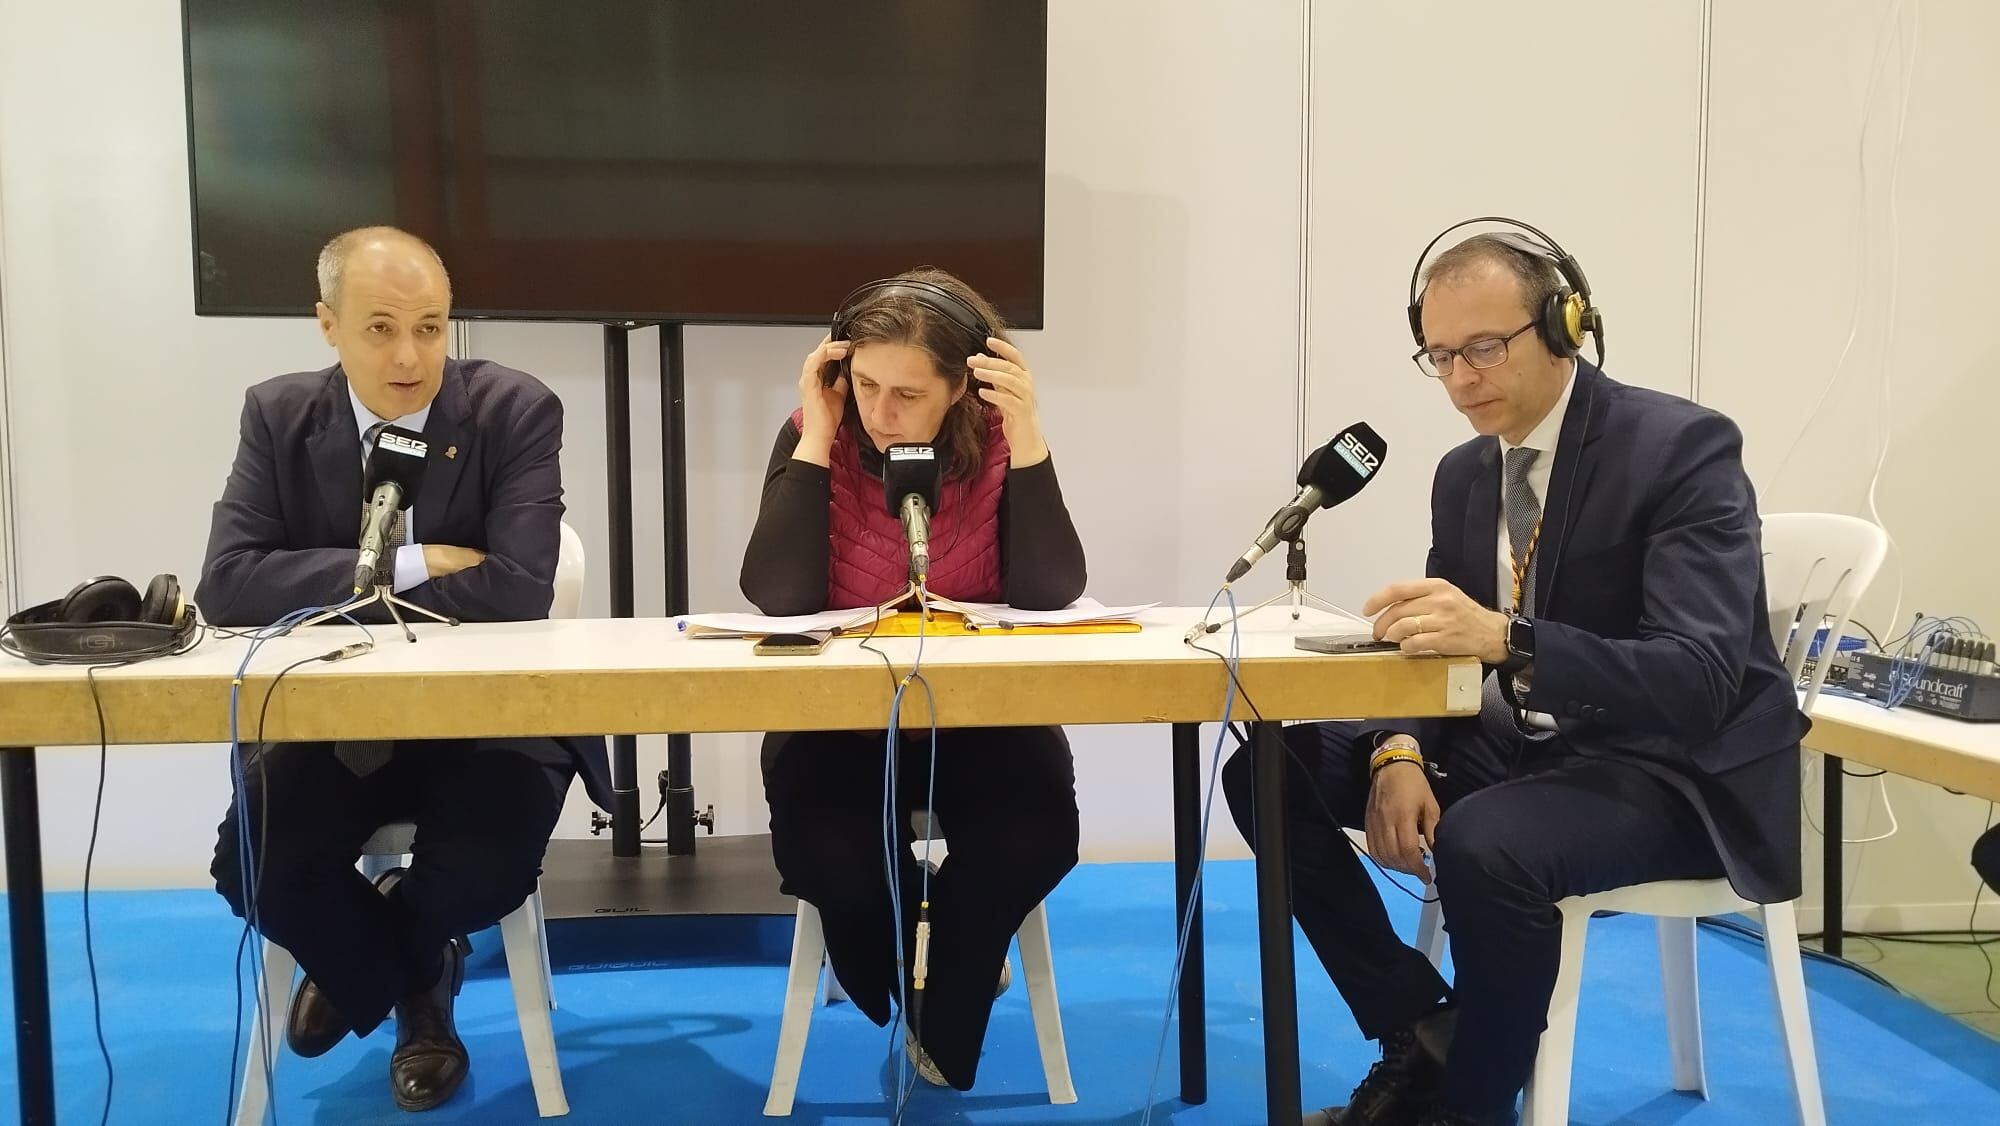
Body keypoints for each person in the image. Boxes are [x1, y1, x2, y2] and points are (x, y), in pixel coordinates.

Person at [1223, 221, 1806, 1126]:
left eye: (1485, 348)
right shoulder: (1464, 475)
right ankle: (1420, 1027)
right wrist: (1399, 751)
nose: (1460, 379)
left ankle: (1466, 1106)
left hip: (1672, 769)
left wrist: (1511, 639)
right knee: (1264, 772)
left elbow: (1698, 678)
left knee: (1486, 843)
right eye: (1440, 355)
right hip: (1523, 748)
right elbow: (1437, 650)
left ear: (1566, 324)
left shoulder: (1680, 447)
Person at [199, 226, 611, 1113]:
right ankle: (414, 978)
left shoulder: (514, 409)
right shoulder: (278, 415)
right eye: (381, 328)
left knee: (483, 872)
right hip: (336, 722)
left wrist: (324, 582)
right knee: (254, 868)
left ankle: (369, 974)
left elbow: (518, 590)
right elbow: (230, 585)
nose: (410, 356)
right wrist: (413, 563)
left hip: (491, 720)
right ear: (327, 325)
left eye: (431, 327)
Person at [741, 268, 1086, 1090]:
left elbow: (1051, 590)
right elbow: (779, 597)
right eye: (863, 384)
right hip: (835, 728)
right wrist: (818, 437)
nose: (880, 411)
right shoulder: (811, 431)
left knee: (1032, 836)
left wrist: (1029, 431)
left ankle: (949, 1008)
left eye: (907, 392)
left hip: (982, 722)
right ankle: (919, 964)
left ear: (965, 384)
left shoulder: (1001, 442)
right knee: (839, 866)